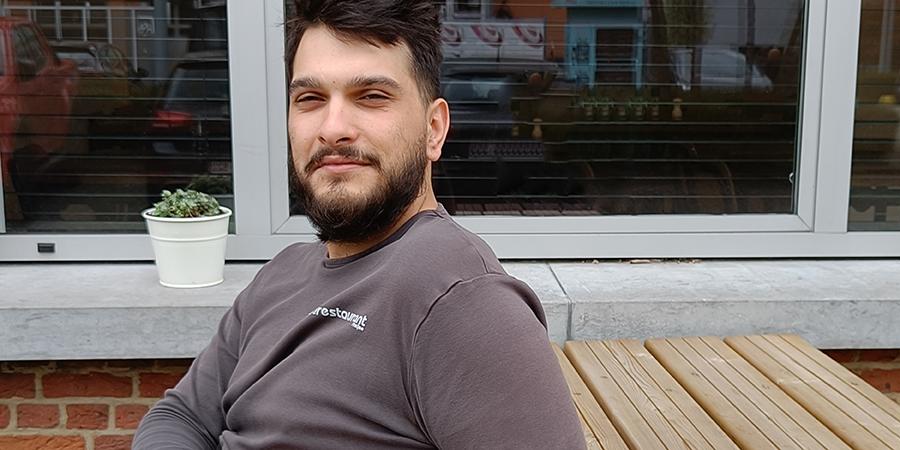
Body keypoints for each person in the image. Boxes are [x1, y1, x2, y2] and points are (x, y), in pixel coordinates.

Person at [132, 1, 586, 448]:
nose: (333, 129)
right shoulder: (281, 274)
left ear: (433, 129)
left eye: (371, 96)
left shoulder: (462, 303)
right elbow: (180, 416)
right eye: (310, 99)